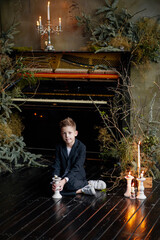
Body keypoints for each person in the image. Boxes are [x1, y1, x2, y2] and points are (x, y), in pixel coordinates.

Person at [52, 117, 106, 196]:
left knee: (70, 185)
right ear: (61, 134)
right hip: (62, 174)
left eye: (70, 133)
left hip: (76, 175)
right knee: (50, 187)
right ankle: (82, 190)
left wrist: (64, 181)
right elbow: (57, 165)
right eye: (64, 133)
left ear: (75, 133)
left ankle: (87, 183)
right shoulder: (59, 147)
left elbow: (77, 167)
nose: (67, 136)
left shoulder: (81, 147)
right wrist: (55, 180)